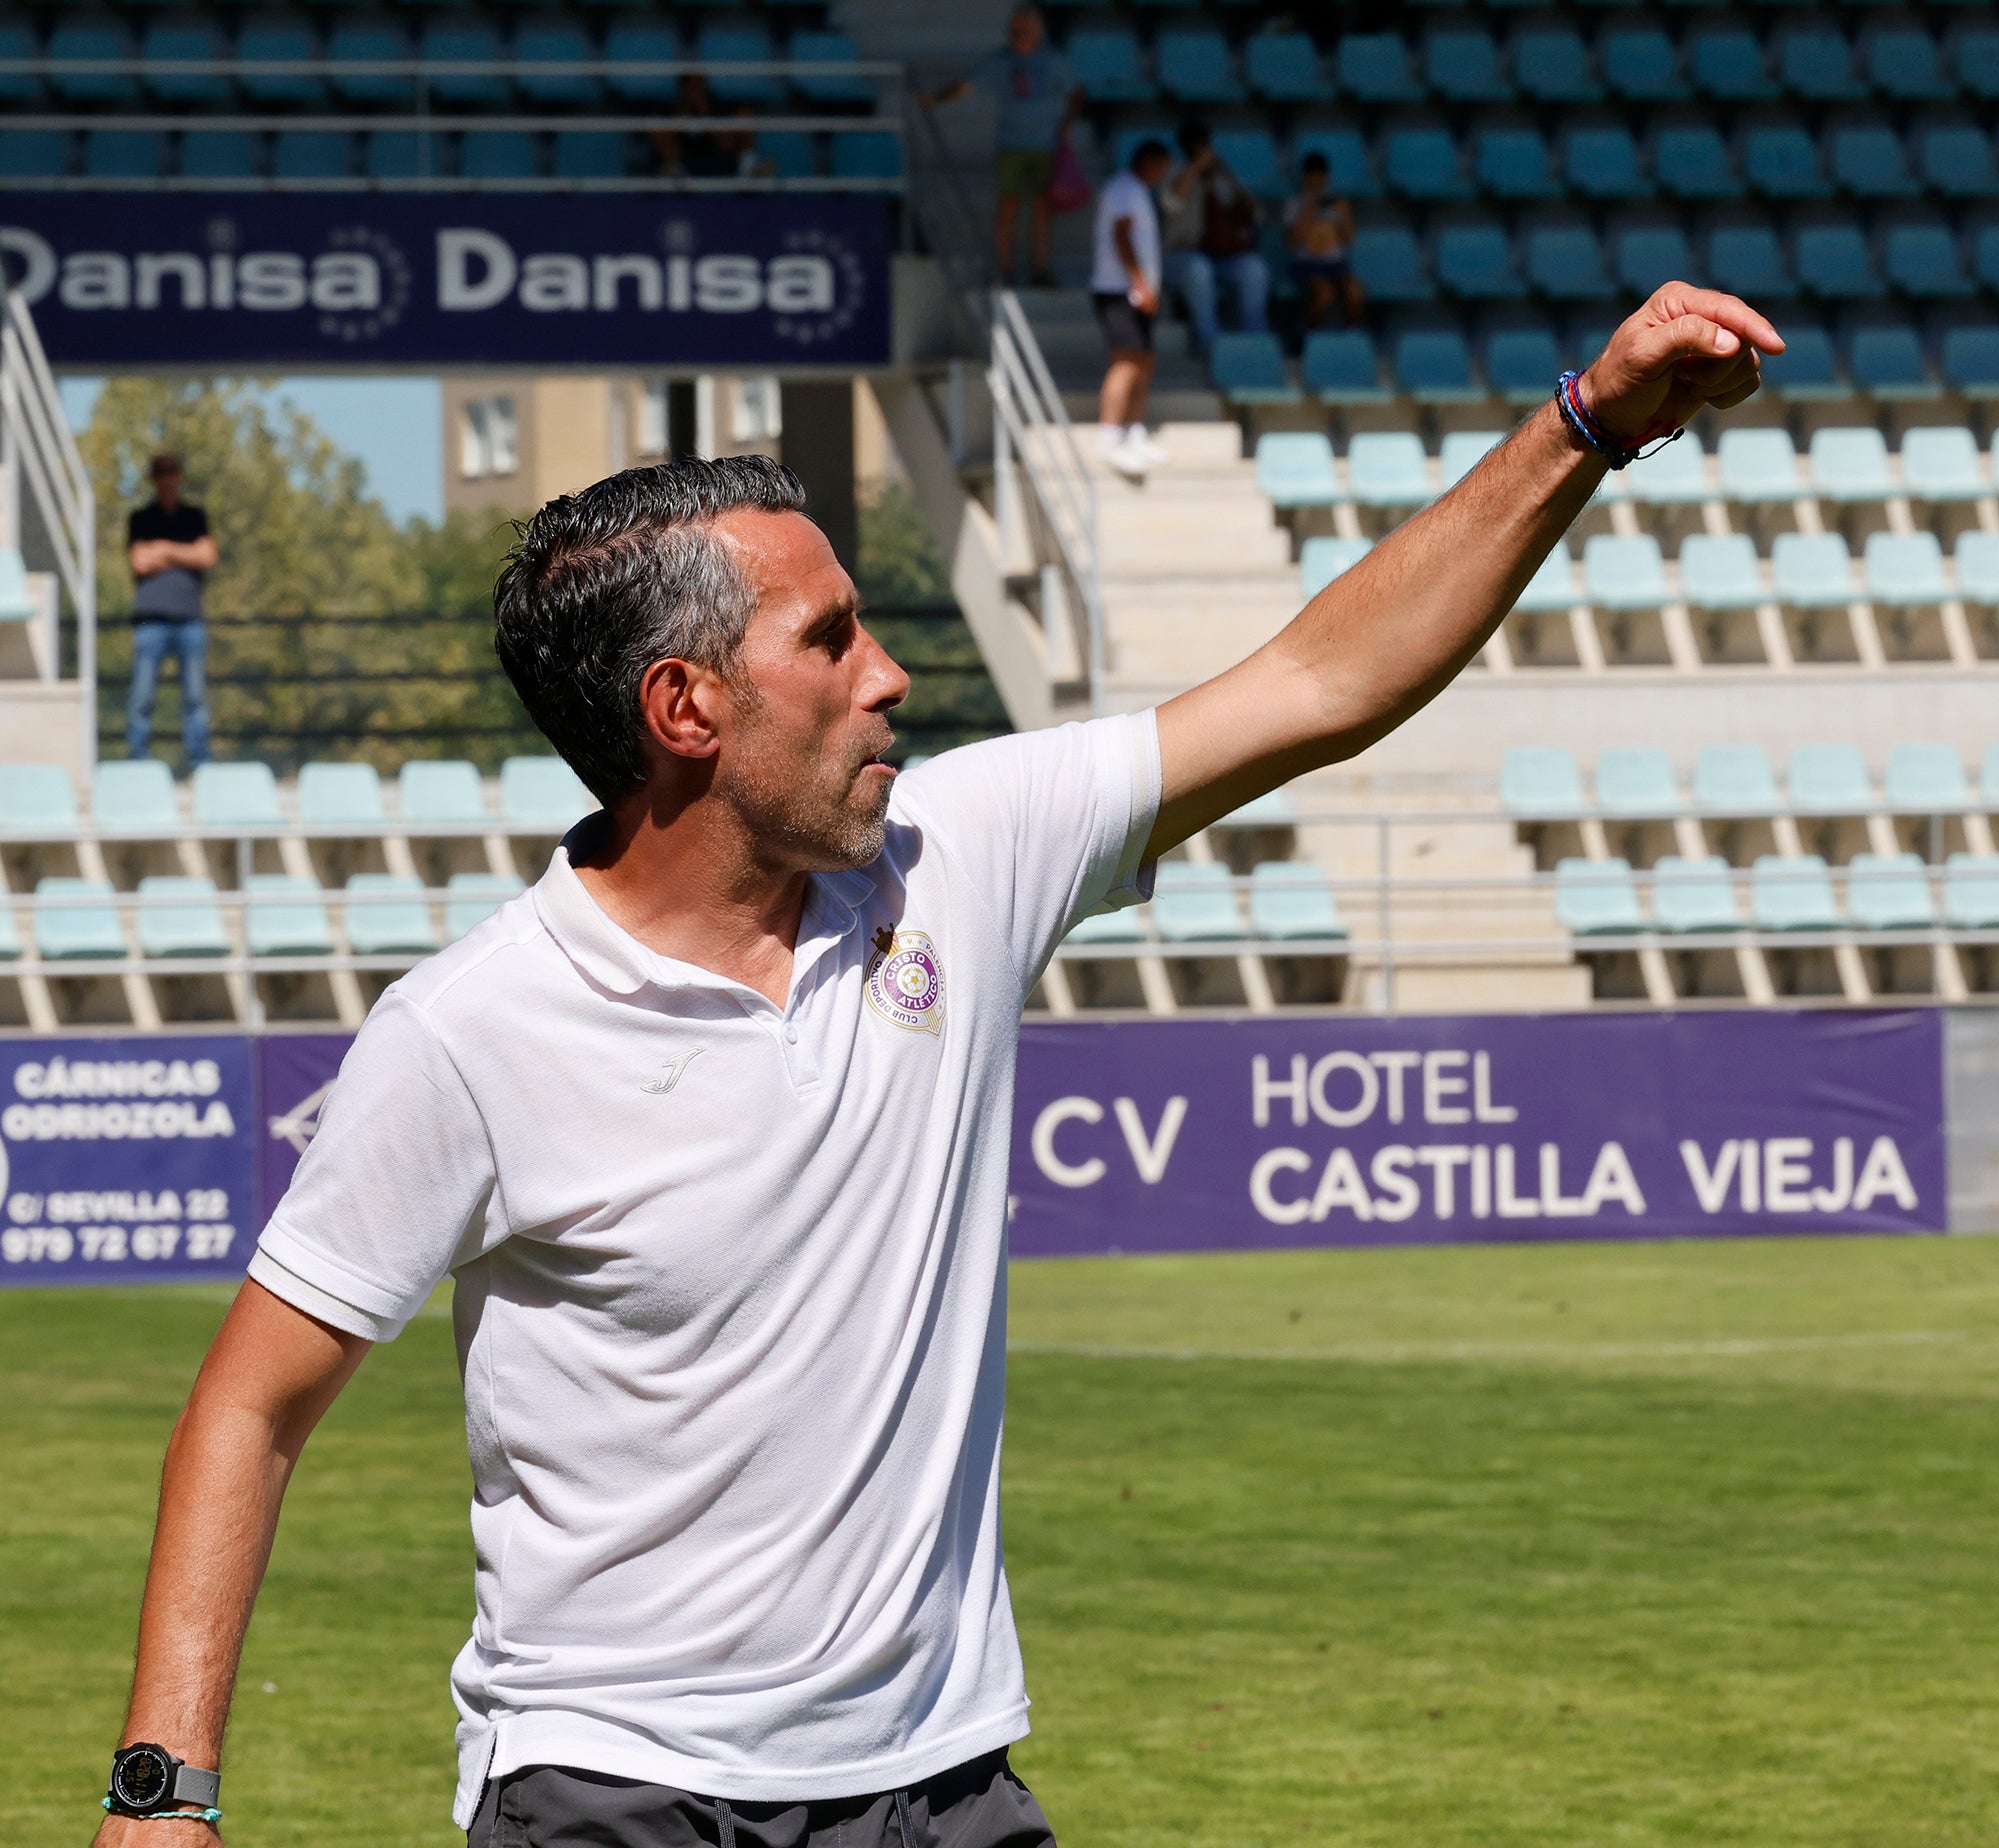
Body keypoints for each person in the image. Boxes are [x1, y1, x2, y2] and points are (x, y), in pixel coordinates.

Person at [92, 285, 1781, 1848]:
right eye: (827, 641)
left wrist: (1585, 426)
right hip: (617, 1792)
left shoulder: (955, 855)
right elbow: (252, 1401)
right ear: (686, 707)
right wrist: (164, 1793)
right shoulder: (470, 1031)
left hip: (940, 1781)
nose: (889, 674)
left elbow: (1325, 680)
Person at [923, 7, 1082, 287]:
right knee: (1008, 207)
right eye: (1013, 32)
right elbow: (965, 85)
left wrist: (1066, 125)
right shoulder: (1000, 61)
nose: (1016, 37)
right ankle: (1003, 270)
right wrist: (936, 99)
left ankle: (1040, 269)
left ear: (1037, 33)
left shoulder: (1053, 60)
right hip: (1012, 144)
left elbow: (1076, 93)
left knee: (1042, 208)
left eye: (1023, 32)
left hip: (1046, 145)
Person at [125, 452, 217, 767]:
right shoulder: (141, 518)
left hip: (190, 619)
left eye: (172, 472)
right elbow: (139, 560)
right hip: (150, 622)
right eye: (161, 473)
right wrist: (183, 552)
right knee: (143, 695)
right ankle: (137, 758)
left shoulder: (194, 517)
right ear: (153, 479)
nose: (167, 479)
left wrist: (163, 549)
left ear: (179, 476)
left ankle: (200, 760)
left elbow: (206, 556)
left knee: (195, 697)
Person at [1091, 138, 1172, 479]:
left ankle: (1133, 430)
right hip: (1117, 290)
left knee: (1144, 361)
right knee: (1125, 363)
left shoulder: (1138, 190)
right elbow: (1121, 236)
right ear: (1149, 161)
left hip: (1136, 292)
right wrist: (1138, 282)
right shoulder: (1124, 189)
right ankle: (1109, 435)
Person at [1161, 121, 1270, 359]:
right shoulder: (1172, 172)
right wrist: (1194, 169)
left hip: (1221, 255)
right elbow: (1171, 204)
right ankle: (1209, 340)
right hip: (1180, 255)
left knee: (1255, 269)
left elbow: (1256, 214)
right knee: (1199, 269)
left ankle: (1256, 339)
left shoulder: (1222, 176)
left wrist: (1225, 175)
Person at [1285, 151, 1364, 329]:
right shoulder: (1294, 203)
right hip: (1306, 264)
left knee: (1355, 292)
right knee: (1324, 295)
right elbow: (1293, 241)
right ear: (1305, 178)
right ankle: (1308, 340)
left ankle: (1348, 337)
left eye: (1320, 178)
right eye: (1312, 178)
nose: (1316, 183)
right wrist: (1309, 210)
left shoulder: (1337, 202)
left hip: (1335, 264)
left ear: (1326, 178)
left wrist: (1343, 213)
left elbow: (1349, 239)